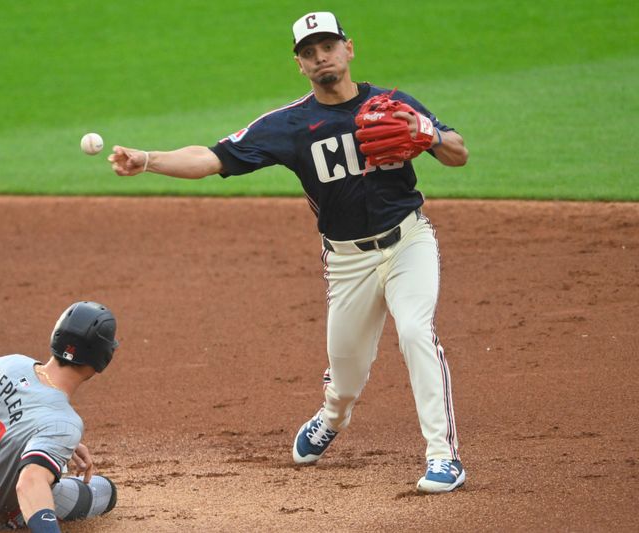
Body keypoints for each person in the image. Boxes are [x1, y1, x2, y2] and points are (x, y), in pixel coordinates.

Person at [109, 11, 469, 493]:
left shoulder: (394, 104)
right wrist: (148, 160)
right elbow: (214, 158)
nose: (320, 57)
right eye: (308, 52)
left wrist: (430, 133)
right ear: (299, 64)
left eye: (328, 47)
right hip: (347, 261)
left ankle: (444, 458)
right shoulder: (290, 125)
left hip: (409, 242)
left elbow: (458, 152)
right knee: (346, 375)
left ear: (349, 48)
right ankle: (332, 416)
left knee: (415, 332)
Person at [0, 301, 120, 531]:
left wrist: (51, 437)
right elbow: (29, 484)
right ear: (102, 359)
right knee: (106, 492)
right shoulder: (64, 423)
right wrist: (58, 435)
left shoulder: (6, 363)